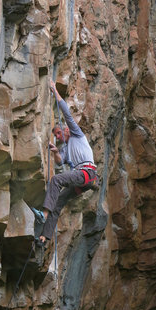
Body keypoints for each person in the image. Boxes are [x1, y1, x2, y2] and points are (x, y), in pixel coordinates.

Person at [32, 80, 98, 243]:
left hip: (87, 173)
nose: (58, 137)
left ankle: (44, 215)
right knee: (59, 201)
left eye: (59, 133)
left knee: (56, 180)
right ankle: (44, 237)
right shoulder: (67, 148)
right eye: (56, 135)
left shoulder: (76, 134)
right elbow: (61, 162)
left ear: (66, 130)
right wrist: (55, 152)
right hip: (83, 179)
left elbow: (67, 114)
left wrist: (54, 90)